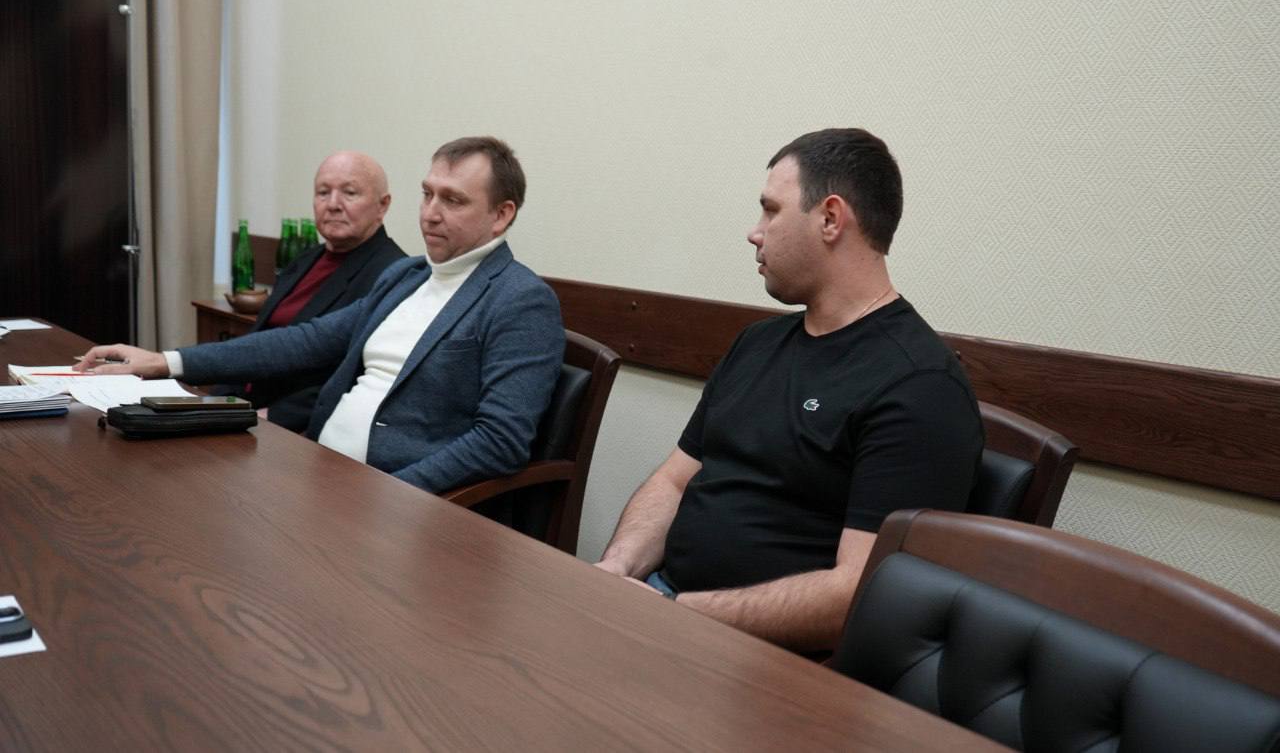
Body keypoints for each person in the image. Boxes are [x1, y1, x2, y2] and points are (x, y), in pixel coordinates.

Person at [595, 128, 983, 653]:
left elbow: (858, 593)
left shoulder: (920, 386)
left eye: (770, 211)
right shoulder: (757, 343)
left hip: (770, 661)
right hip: (666, 609)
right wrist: (617, 570)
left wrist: (677, 613)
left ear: (830, 219)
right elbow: (674, 482)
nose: (754, 233)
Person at [78, 137, 565, 493]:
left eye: (453, 200)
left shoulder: (520, 300)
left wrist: (394, 495)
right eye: (427, 193)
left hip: (393, 498)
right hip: (317, 467)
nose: (430, 213)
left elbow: (500, 441)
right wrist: (164, 362)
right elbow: (305, 340)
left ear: (501, 215)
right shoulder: (407, 276)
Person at [214, 151, 407, 432]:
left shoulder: (392, 274)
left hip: (295, 426)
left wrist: (272, 417)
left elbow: (354, 376)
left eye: (350, 193)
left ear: (383, 205)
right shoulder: (305, 260)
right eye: (323, 192)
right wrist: (217, 400)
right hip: (241, 407)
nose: (333, 204)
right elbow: (259, 338)